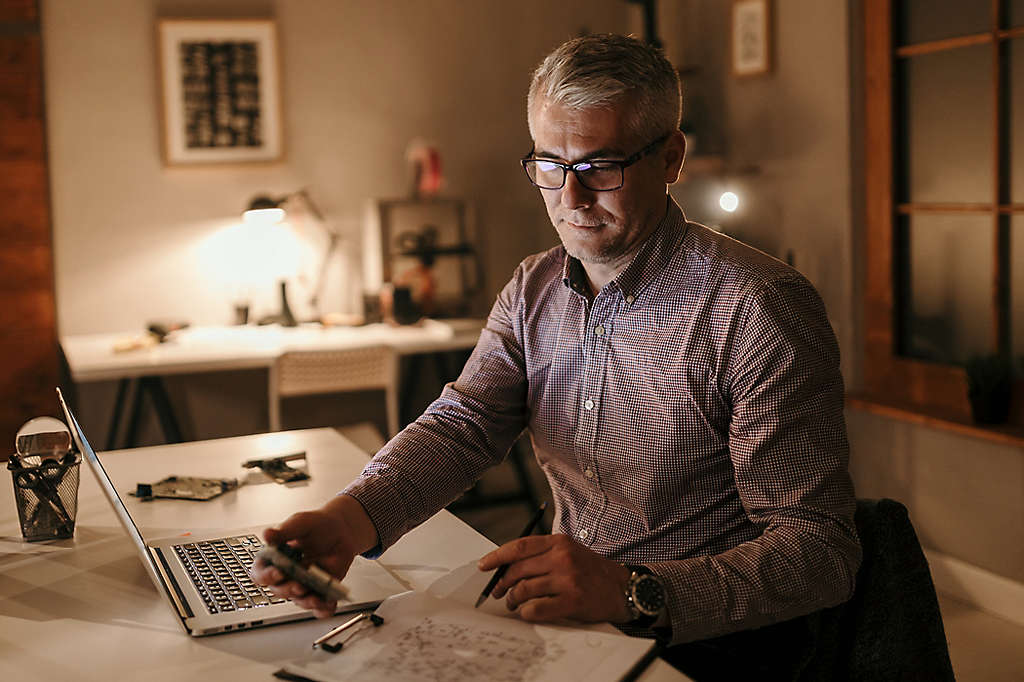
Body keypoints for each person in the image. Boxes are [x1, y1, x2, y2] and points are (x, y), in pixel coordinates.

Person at [252, 33, 861, 680]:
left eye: (600, 167)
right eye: (550, 165)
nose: (571, 200)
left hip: (709, 647)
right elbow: (465, 427)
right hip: (572, 626)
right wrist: (349, 520)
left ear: (672, 157)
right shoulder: (532, 287)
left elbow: (819, 553)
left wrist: (631, 590)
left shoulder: (758, 307)